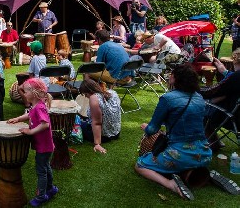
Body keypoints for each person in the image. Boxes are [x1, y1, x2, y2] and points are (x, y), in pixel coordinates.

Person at [135, 64, 212, 200]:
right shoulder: (199, 98)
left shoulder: (167, 98)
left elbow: (153, 129)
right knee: (184, 161)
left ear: (175, 79)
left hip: (179, 154)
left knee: (140, 164)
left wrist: (145, 127)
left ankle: (170, 184)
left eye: (172, 74)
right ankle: (196, 172)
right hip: (205, 152)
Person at [8, 78, 57, 206]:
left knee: (41, 171)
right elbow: (30, 114)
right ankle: (50, 188)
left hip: (44, 147)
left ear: (35, 93)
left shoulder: (40, 107)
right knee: (46, 167)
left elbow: (45, 124)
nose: (23, 94)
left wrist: (30, 132)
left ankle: (41, 196)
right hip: (46, 146)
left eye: (25, 92)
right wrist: (18, 118)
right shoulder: (36, 105)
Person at [201, 48, 240, 150]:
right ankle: (214, 141)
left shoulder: (237, 77)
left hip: (234, 117)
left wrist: (192, 88)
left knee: (201, 108)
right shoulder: (235, 77)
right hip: (235, 112)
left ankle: (213, 142)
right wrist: (224, 71)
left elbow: (212, 91)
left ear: (236, 61)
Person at [78, 79, 121, 153]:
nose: (86, 97)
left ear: (89, 91)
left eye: (86, 94)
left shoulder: (94, 98)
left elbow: (97, 122)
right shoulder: (113, 92)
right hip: (116, 132)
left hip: (104, 136)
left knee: (78, 124)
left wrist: (97, 143)